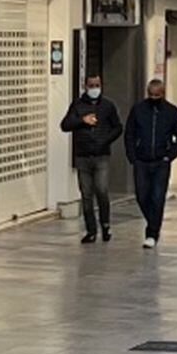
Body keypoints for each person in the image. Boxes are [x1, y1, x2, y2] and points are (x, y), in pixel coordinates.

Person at [124, 79, 177, 249]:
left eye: (157, 95)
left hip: (161, 161)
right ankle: (153, 223)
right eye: (151, 95)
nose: (154, 97)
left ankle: (152, 232)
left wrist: (169, 155)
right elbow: (129, 133)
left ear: (163, 93)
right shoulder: (138, 110)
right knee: (142, 196)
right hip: (141, 161)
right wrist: (133, 157)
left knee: (158, 197)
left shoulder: (171, 112)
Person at [60, 74, 123, 244]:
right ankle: (91, 230)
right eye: (91, 85)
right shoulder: (78, 105)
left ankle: (106, 225)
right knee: (86, 194)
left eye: (97, 85)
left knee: (102, 191)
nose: (95, 88)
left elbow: (118, 127)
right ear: (85, 86)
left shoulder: (108, 106)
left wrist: (106, 139)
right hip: (83, 156)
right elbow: (65, 125)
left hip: (101, 155)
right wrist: (82, 120)